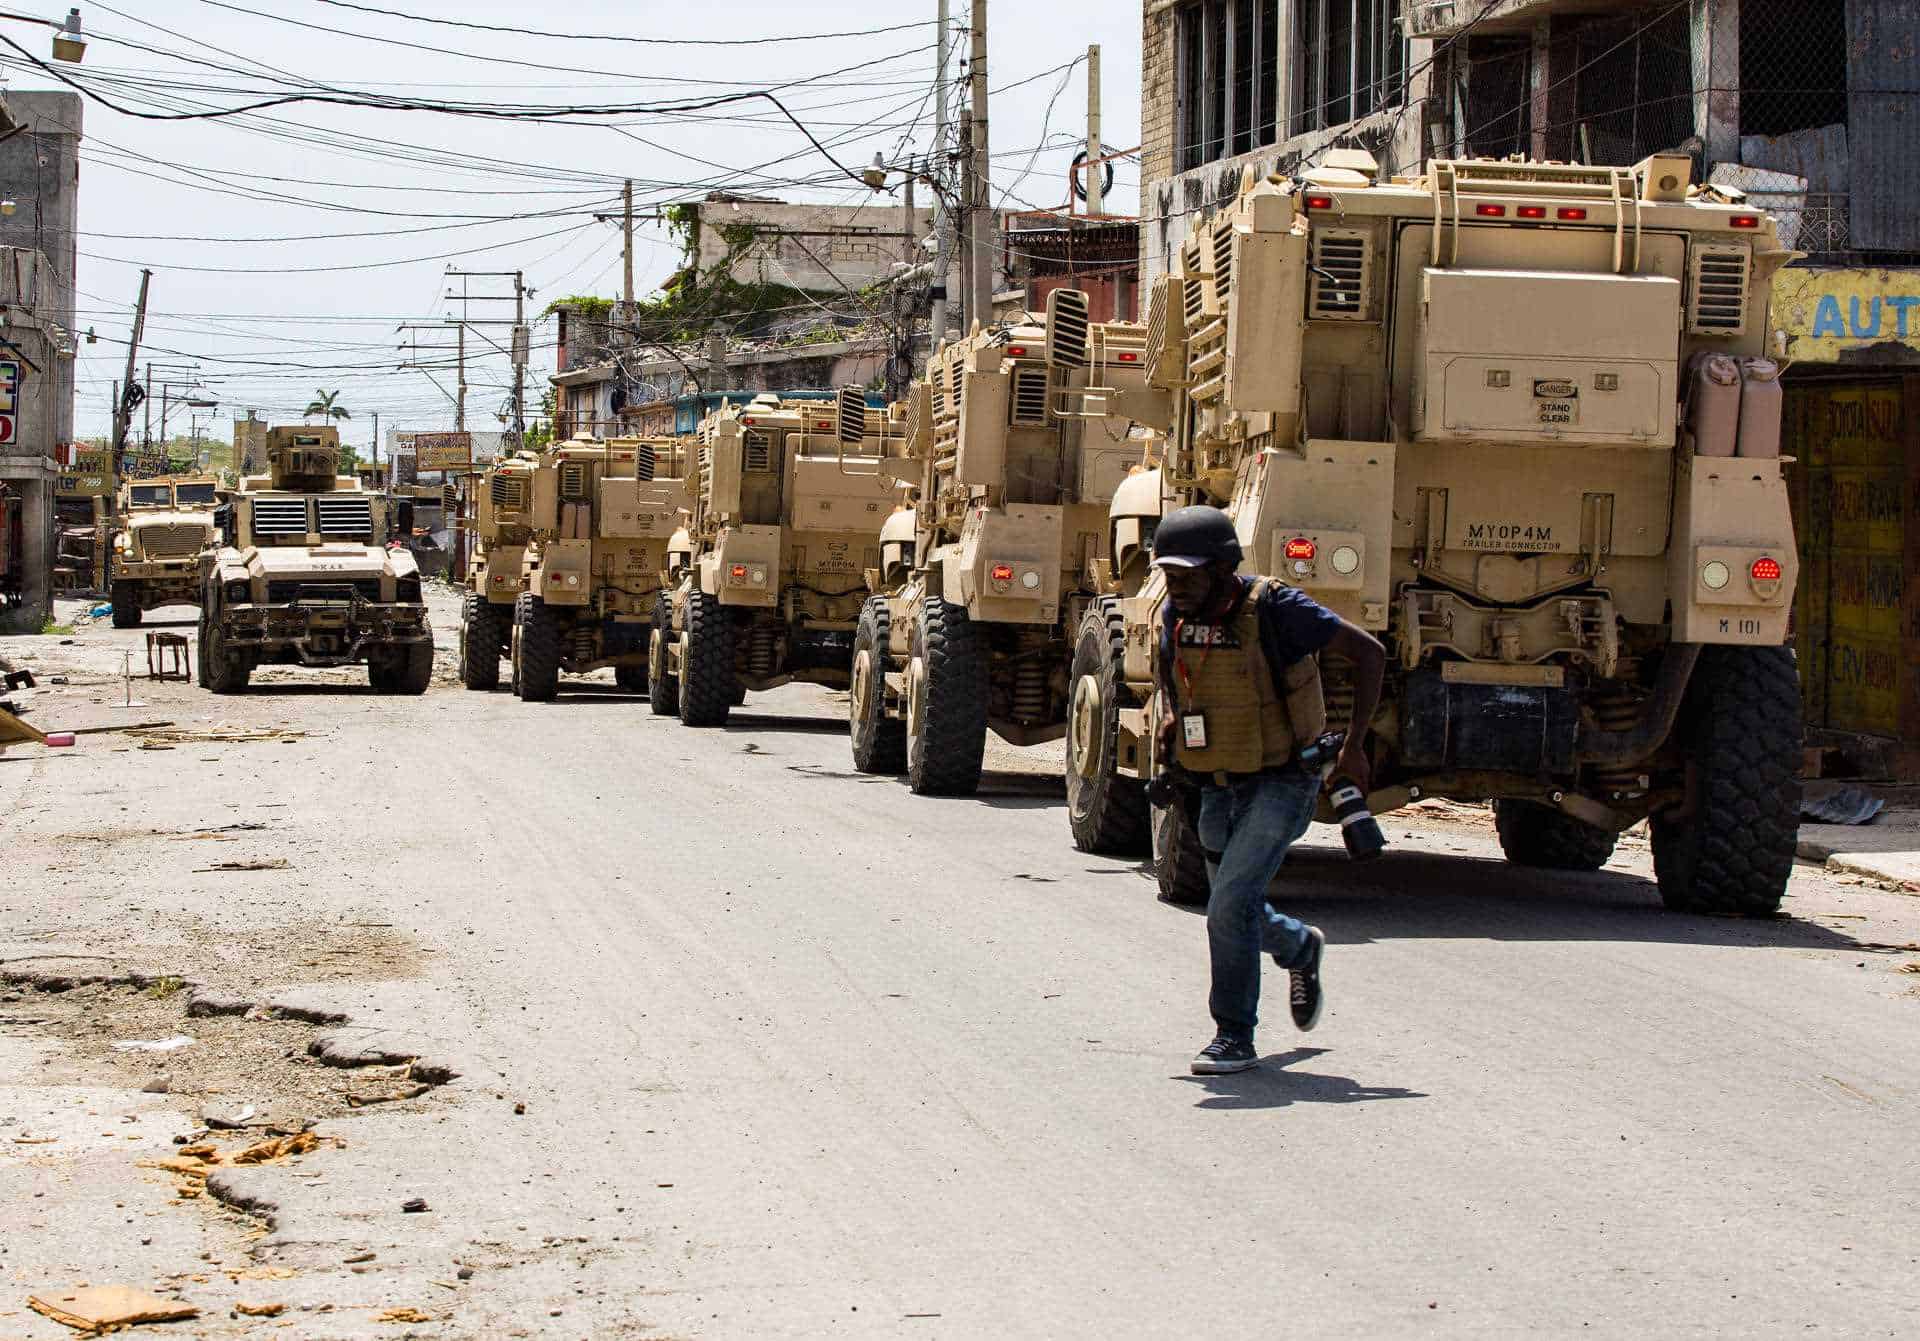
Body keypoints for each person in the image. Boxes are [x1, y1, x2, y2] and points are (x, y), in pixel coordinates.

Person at [1151, 505, 1386, 1076]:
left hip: (1283, 780)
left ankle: (1234, 1035)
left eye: (1187, 574)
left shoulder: (1277, 608)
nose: (1175, 585)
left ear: (1224, 567)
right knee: (1235, 908)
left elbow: (1369, 654)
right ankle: (1300, 946)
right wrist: (1173, 720)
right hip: (1213, 782)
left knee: (1226, 909)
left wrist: (1355, 745)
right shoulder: (1176, 614)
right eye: (1169, 574)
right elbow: (1173, 674)